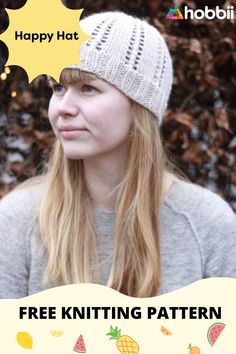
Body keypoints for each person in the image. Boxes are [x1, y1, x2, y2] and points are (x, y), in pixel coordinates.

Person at [0, 12, 235, 299]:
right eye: (58, 88)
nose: (63, 107)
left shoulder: (207, 224)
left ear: (139, 107)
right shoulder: (16, 221)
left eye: (88, 88)